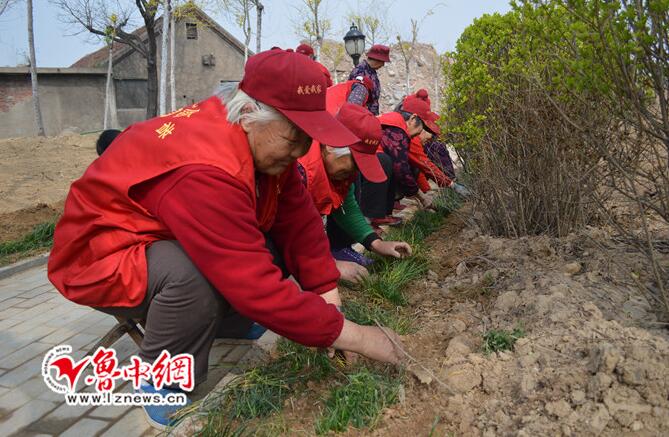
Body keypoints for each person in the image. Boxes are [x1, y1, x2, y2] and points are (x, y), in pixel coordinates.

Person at [47, 50, 404, 429]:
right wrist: (359, 338)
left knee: (267, 248)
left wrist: (331, 306)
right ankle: (162, 378)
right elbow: (253, 285)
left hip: (160, 233)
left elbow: (298, 221)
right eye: (293, 138)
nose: (301, 151)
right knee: (192, 276)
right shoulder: (206, 169)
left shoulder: (255, 139)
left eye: (308, 139)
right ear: (249, 113)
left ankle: (228, 324)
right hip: (99, 254)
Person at [297, 103, 412, 282]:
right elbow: (289, 230)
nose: (354, 172)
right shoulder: (300, 171)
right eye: (354, 163)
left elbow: (346, 207)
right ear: (330, 145)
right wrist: (330, 265)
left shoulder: (339, 174)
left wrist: (376, 243)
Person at [358, 90, 439, 227]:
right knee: (385, 162)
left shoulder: (396, 123)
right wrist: (421, 197)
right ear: (413, 119)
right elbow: (400, 168)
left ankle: (383, 214)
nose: (419, 134)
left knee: (391, 163)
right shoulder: (396, 128)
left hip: (365, 163)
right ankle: (370, 218)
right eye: (422, 128)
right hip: (360, 165)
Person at [348, 44, 390, 115]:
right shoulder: (360, 72)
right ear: (377, 60)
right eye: (383, 62)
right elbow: (354, 104)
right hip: (362, 116)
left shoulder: (371, 71)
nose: (383, 65)